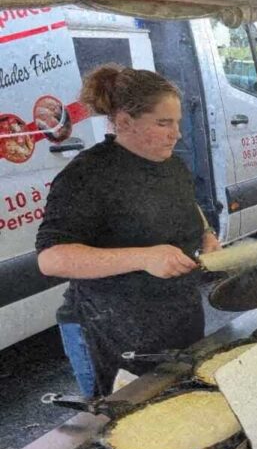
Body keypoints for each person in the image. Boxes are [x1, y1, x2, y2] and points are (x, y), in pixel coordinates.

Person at [35, 65, 221, 399]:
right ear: (124, 122)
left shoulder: (173, 166)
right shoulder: (88, 174)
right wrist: (144, 257)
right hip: (109, 331)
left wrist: (206, 234)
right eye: (163, 123)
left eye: (176, 122)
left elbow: (187, 207)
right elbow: (52, 258)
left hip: (178, 320)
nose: (175, 134)